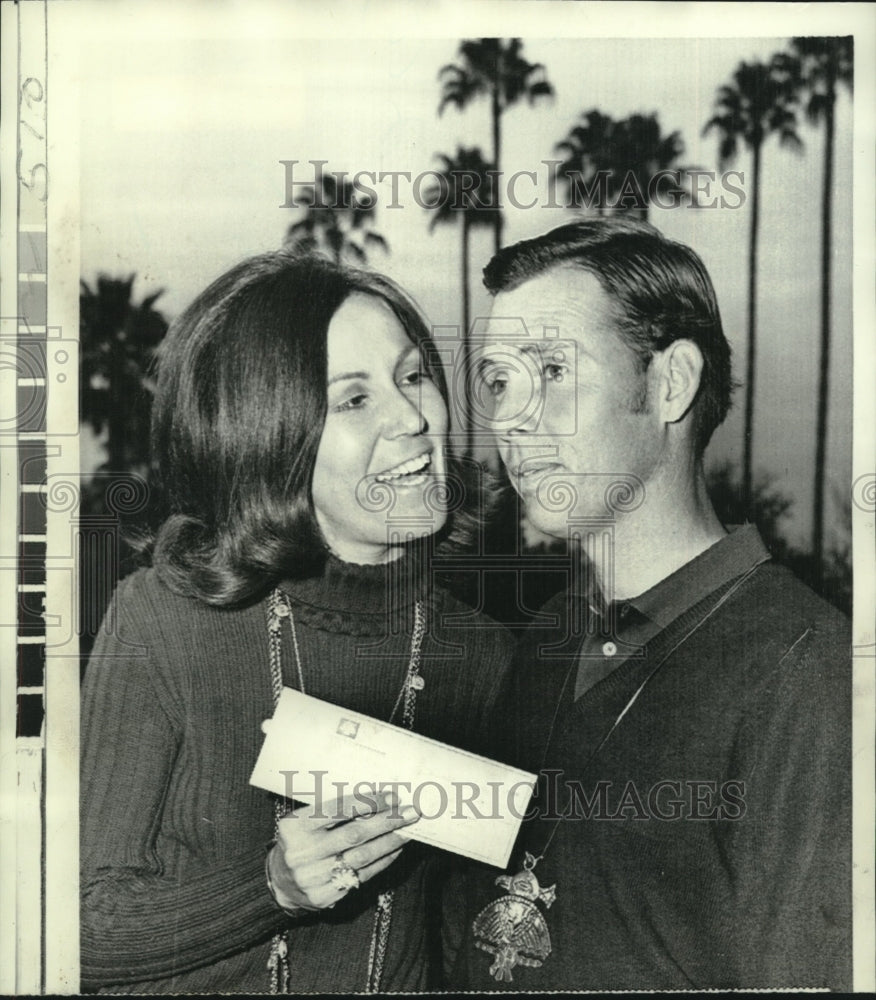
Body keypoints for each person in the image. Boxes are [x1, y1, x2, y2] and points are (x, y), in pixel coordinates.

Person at [80, 251, 514, 993]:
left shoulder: (484, 655)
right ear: (268, 436)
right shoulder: (163, 620)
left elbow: (471, 936)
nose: (412, 417)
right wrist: (270, 889)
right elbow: (73, 932)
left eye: (413, 377)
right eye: (352, 401)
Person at [450, 218, 852, 990]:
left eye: (553, 370)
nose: (511, 417)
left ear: (669, 383)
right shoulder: (542, 644)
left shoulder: (809, 669)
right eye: (499, 380)